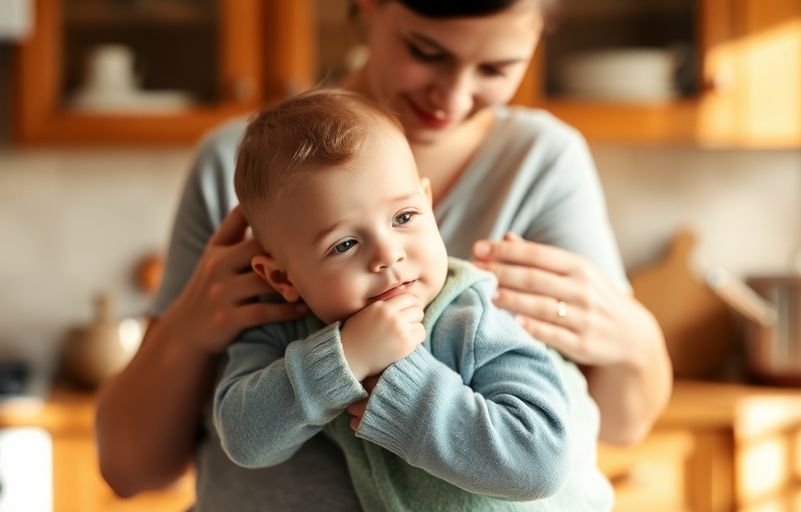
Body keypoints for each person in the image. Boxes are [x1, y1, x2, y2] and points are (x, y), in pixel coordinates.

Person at [95, 0, 672, 508]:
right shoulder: (243, 167)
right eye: (426, 51)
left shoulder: (541, 165)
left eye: (496, 68)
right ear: (369, 7)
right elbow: (129, 470)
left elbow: (613, 427)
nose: (452, 96)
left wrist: (632, 336)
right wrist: (189, 327)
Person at [213, 88, 611, 511]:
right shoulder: (287, 328)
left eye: (403, 217)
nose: (388, 254)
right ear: (281, 277)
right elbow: (244, 439)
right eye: (344, 244)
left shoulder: (472, 312)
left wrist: (407, 394)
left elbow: (541, 461)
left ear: (428, 201)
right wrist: (343, 359)